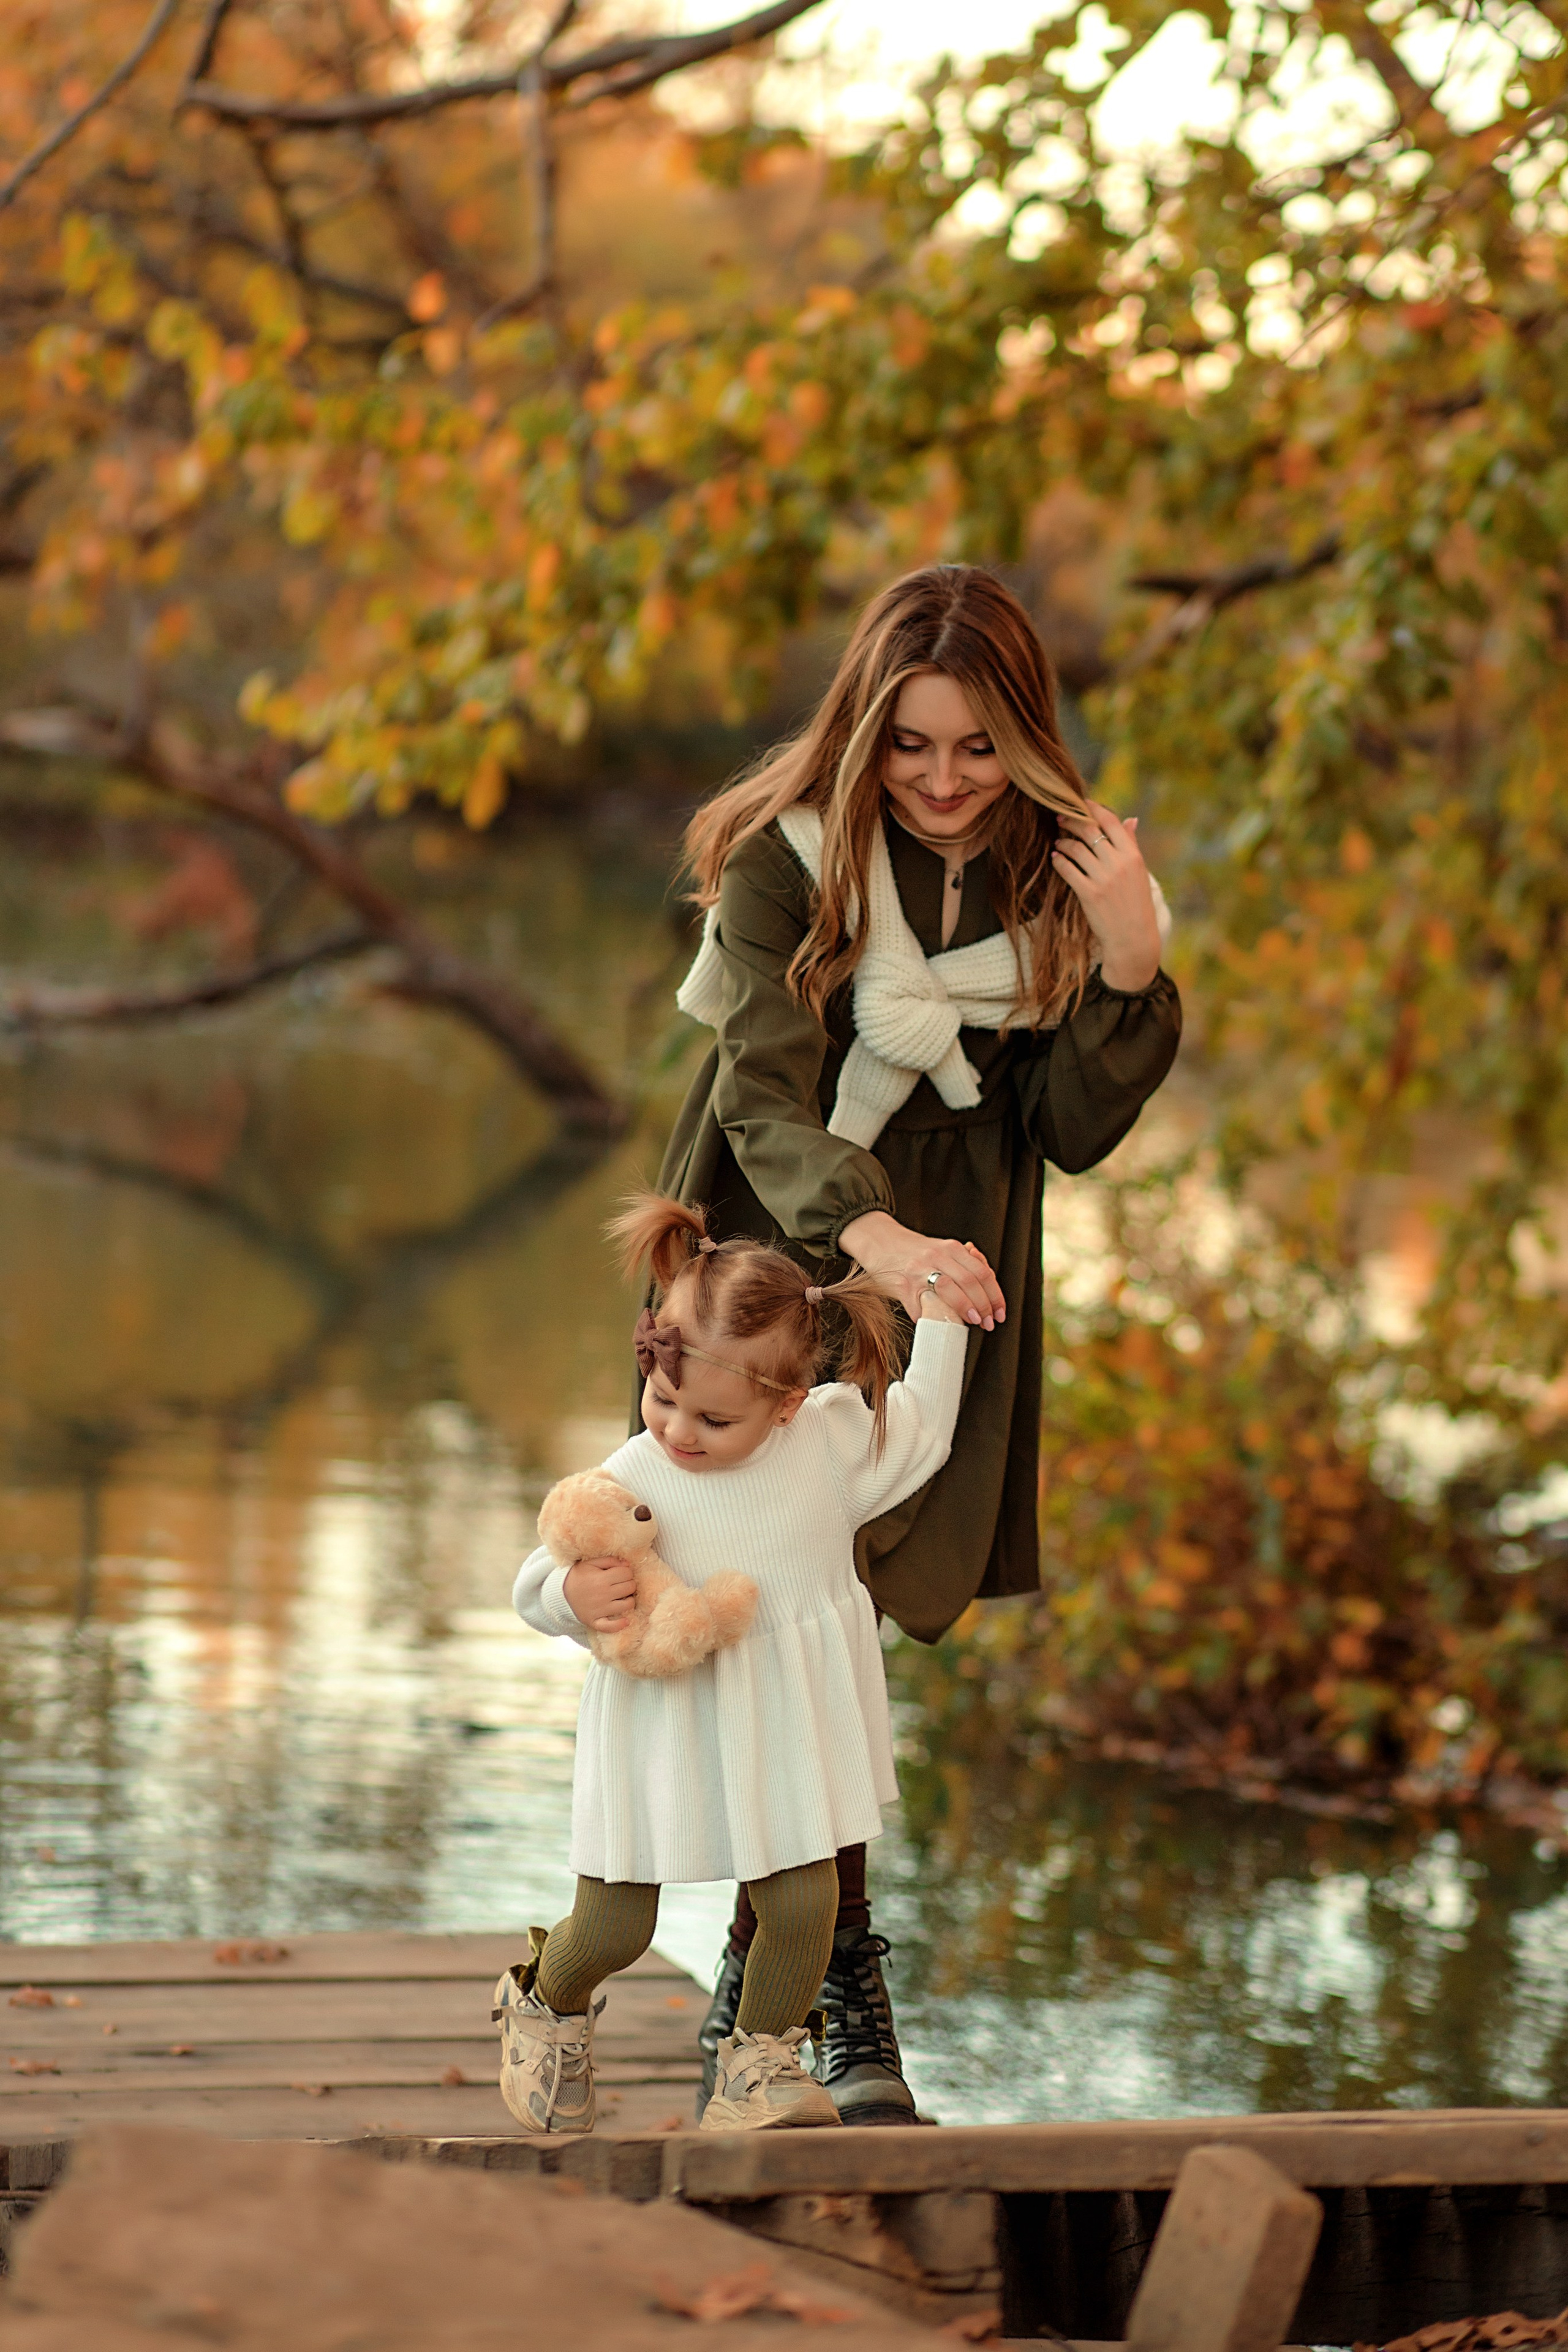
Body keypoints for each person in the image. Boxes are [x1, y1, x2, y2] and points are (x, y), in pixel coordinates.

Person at [659, 563, 1183, 2122]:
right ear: (863, 735)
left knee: (844, 1614)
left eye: (973, 747)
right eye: (908, 747)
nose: (943, 782)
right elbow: (756, 1095)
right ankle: (832, 1999)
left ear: (1020, 736)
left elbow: (1074, 1128)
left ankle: (777, 2005)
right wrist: (864, 1238)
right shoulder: (786, 858)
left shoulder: (1054, 877)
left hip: (955, 1252)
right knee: (766, 1600)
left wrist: (1134, 955)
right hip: (776, 1232)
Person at [500, 1192, 970, 2134]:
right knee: (615, 1928)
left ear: (788, 1403)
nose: (677, 1431)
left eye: (714, 1420)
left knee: (804, 1908)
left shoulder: (828, 1445)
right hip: (659, 1732)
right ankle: (545, 2006)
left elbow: (927, 1428)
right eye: (663, 1398)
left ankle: (757, 2068)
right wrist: (571, 1600)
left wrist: (946, 1311)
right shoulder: (634, 1476)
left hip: (785, 1726)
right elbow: (534, 1580)